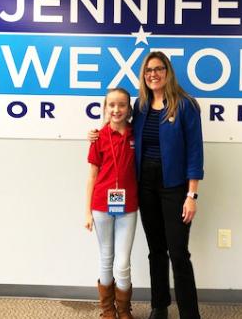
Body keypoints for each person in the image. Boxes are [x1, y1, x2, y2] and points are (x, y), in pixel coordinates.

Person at [90, 51, 204, 319]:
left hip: (175, 187)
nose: (153, 74)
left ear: (167, 72)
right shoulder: (140, 107)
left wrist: (192, 195)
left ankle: (190, 314)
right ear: (143, 75)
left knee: (178, 252)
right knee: (156, 250)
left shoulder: (186, 105)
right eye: (148, 70)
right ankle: (159, 306)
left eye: (158, 69)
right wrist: (95, 131)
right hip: (146, 186)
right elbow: (118, 126)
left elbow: (195, 153)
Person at [85, 88, 138, 319]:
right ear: (106, 107)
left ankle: (124, 310)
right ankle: (108, 310)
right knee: (106, 257)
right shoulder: (98, 137)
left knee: (123, 262)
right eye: (112, 105)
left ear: (129, 108)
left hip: (128, 208)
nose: (117, 109)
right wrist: (87, 212)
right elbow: (92, 176)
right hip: (101, 207)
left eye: (122, 105)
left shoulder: (137, 135)